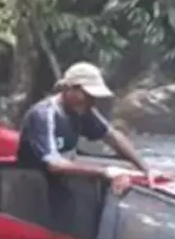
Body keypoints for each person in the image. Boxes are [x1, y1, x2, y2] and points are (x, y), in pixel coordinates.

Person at [15, 61, 151, 190]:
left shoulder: (82, 111)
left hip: (60, 184)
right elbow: (53, 164)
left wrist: (146, 169)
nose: (92, 101)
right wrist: (106, 171)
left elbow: (113, 137)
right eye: (88, 95)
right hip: (32, 186)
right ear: (68, 89)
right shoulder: (44, 115)